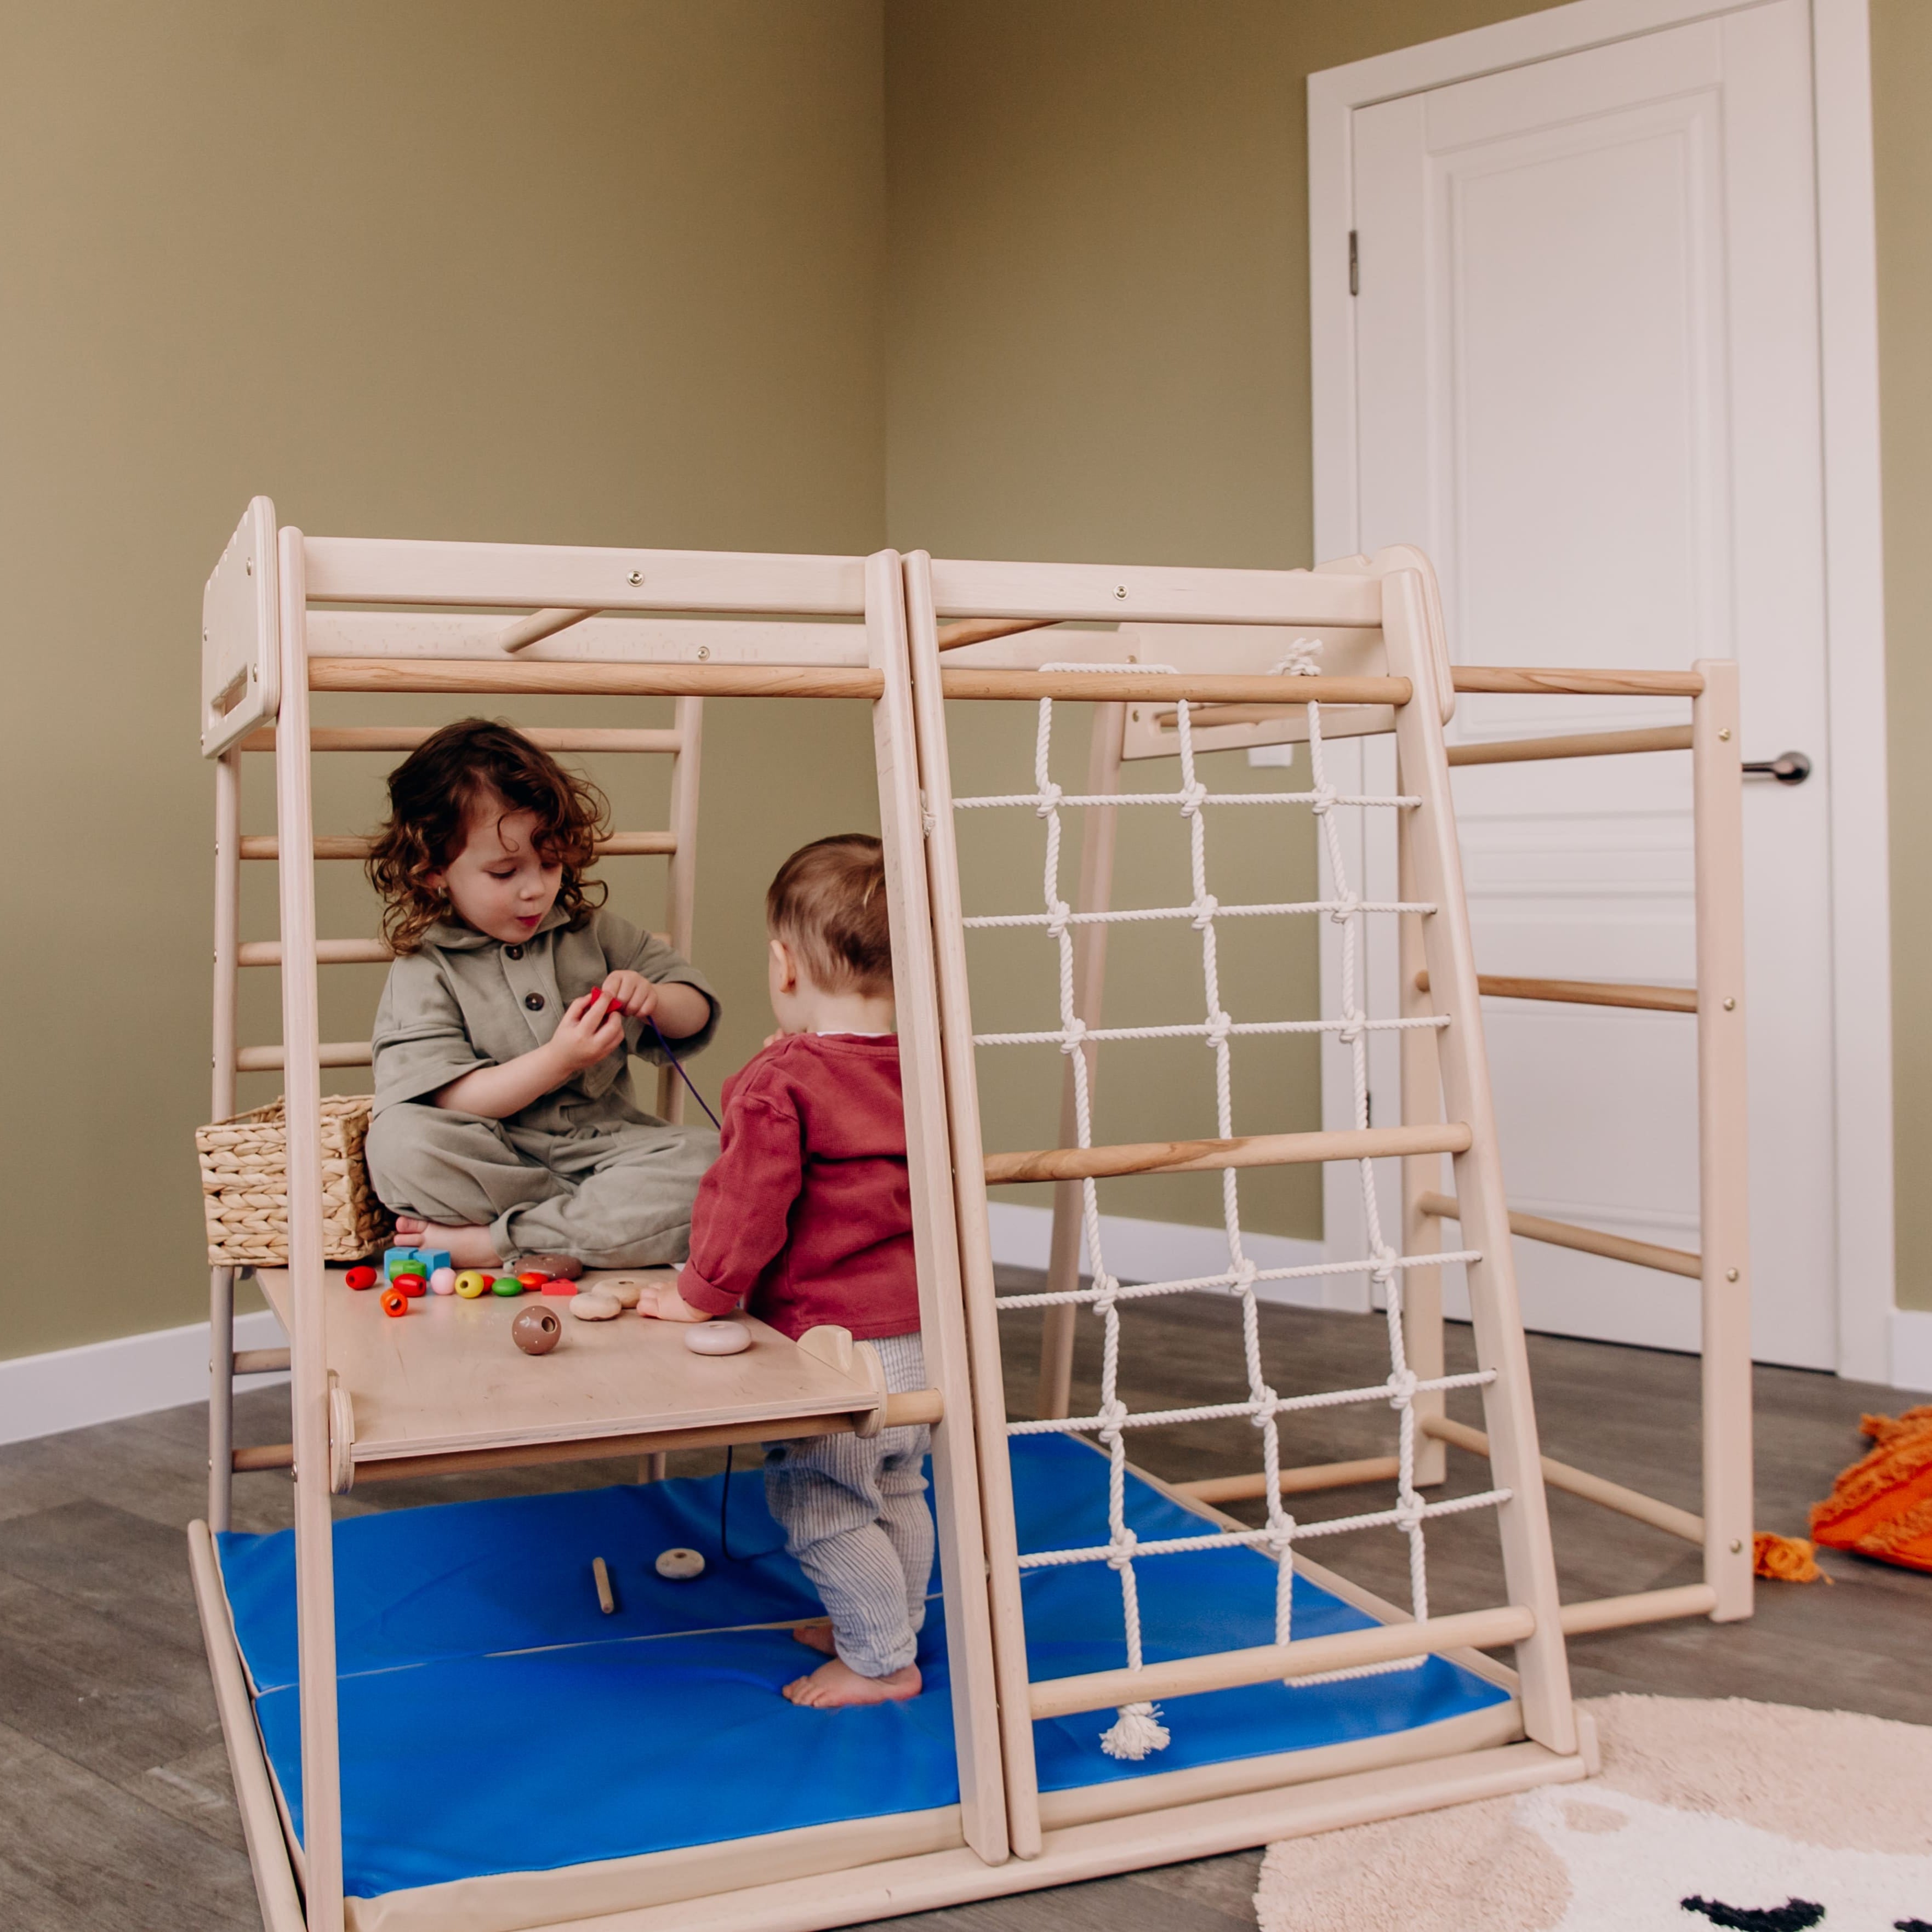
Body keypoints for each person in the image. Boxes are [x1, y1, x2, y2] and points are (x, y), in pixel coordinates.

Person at [639, 834, 929, 1711]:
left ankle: (880, 1660)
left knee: (823, 1498)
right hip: (920, 1330)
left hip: (834, 1342)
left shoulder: (780, 1079)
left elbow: (744, 1208)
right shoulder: (927, 1061)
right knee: (897, 1483)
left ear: (785, 966)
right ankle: (884, 1622)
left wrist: (696, 1296)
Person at [361, 718, 720, 1273]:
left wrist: (654, 997)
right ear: (434, 873)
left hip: (609, 1151)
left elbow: (694, 1008)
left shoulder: (592, 933)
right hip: (495, 1157)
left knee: (713, 1164)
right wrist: (559, 1061)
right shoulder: (426, 966)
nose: (536, 888)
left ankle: (495, 1243)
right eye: (505, 872)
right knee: (399, 1146)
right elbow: (450, 1100)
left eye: (550, 863)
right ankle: (587, 1226)